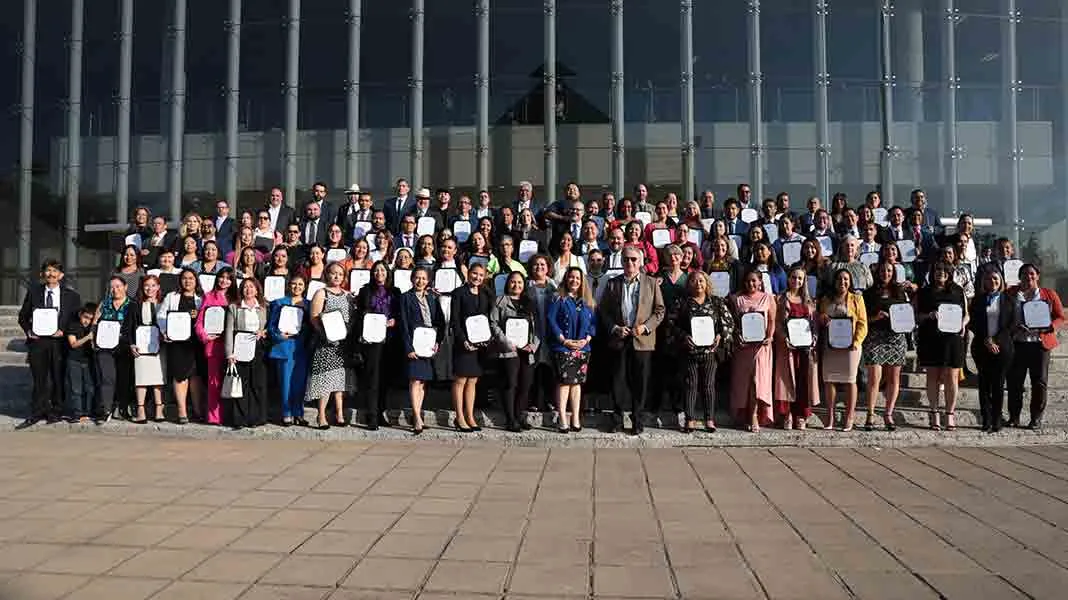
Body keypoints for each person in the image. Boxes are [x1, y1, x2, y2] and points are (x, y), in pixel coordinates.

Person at [598, 246, 666, 434]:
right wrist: (614, 328)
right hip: (620, 338)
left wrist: (644, 328)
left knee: (640, 382)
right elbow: (603, 311)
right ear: (621, 262)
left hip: (642, 339)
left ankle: (638, 419)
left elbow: (660, 311)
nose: (630, 263)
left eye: (634, 259)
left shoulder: (651, 283)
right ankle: (618, 419)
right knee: (617, 380)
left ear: (641, 262)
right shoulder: (613, 283)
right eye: (626, 259)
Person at [17, 260, 83, 428]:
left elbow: (76, 320)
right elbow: (22, 317)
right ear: (42, 274)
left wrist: (64, 331)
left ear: (61, 275)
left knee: (57, 378)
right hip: (38, 342)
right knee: (39, 378)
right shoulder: (33, 292)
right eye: (48, 270)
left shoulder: (72, 296)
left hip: (59, 342)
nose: (51, 274)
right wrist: (29, 331)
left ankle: (56, 411)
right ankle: (37, 411)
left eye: (55, 271)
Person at [1006, 263, 1066, 429]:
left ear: (1037, 276)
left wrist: (1049, 326)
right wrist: (1013, 327)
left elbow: (1061, 317)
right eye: (1024, 274)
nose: (1028, 276)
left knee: (1039, 383)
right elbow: (1004, 314)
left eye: (1032, 273)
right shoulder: (1011, 293)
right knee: (1014, 383)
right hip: (1018, 344)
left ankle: (1036, 418)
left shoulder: (1048, 294)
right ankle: (1014, 417)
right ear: (1020, 277)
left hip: (1040, 345)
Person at [674, 271, 734, 432]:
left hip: (710, 351)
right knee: (690, 384)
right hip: (690, 351)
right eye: (694, 281)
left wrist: (721, 336)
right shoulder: (682, 302)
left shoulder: (716, 302)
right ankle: (690, 419)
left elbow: (728, 323)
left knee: (708, 385)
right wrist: (683, 336)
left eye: (701, 281)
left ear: (707, 283)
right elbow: (672, 324)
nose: (698, 284)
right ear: (689, 284)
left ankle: (709, 419)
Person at [915, 261, 968, 430]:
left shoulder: (958, 291)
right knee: (933, 377)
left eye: (945, 270)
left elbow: (967, 315)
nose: (941, 272)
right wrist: (928, 315)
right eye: (938, 269)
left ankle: (950, 414)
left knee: (952, 376)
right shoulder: (924, 292)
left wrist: (963, 325)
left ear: (950, 273)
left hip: (952, 339)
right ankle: (934, 412)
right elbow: (915, 316)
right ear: (933, 272)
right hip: (930, 338)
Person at [547, 267, 597, 433]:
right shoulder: (558, 298)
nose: (574, 281)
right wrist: (564, 340)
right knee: (564, 383)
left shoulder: (587, 301)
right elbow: (551, 320)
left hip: (583, 348)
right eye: (571, 277)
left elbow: (593, 324)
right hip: (563, 347)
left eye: (577, 278)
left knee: (576, 384)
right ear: (566, 279)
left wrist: (586, 339)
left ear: (582, 281)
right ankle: (562, 417)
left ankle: (575, 417)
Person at [818, 268, 868, 431]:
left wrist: (857, 341)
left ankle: (849, 416)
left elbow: (862, 323)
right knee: (829, 380)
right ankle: (830, 416)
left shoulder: (857, 299)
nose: (843, 282)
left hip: (850, 346)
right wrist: (822, 318)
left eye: (846, 279)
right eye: (839, 279)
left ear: (850, 282)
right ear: (834, 281)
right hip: (830, 345)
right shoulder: (826, 299)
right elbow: (820, 319)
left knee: (850, 381)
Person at [968, 269, 1018, 432]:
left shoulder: (1009, 300)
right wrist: (986, 339)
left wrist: (995, 340)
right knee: (984, 384)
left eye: (995, 278)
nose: (992, 282)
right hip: (981, 346)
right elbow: (973, 322)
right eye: (989, 279)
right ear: (984, 282)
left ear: (1001, 281)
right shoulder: (977, 300)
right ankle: (986, 419)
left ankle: (997, 419)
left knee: (998, 384)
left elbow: (1012, 324)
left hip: (1002, 348)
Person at [862, 262, 910, 431]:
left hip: (895, 338)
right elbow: (862, 318)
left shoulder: (900, 292)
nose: (886, 273)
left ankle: (888, 414)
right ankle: (870, 413)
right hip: (875, 337)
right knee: (874, 377)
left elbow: (907, 314)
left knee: (893, 378)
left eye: (889, 270)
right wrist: (875, 318)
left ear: (894, 273)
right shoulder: (869, 293)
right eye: (883, 270)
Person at [398, 267, 446, 434]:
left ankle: (418, 414)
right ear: (412, 279)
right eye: (417, 278)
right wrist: (408, 347)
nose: (420, 281)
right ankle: (417, 416)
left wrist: (438, 341)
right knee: (415, 380)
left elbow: (440, 322)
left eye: (424, 278)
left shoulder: (432, 298)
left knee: (423, 381)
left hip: (428, 344)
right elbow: (403, 324)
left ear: (428, 281)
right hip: (414, 344)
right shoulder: (405, 297)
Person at [307, 262, 354, 429]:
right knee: (325, 379)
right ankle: (321, 415)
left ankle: (339, 414)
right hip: (326, 343)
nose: (336, 277)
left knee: (340, 380)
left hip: (343, 344)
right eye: (333, 273)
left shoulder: (348, 295)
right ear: (327, 274)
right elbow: (314, 318)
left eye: (340, 274)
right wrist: (326, 335)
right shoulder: (321, 293)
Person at [353, 261, 401, 430]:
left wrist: (394, 320)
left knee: (385, 379)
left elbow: (398, 314)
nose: (379, 273)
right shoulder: (365, 290)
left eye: (383, 270)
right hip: (372, 340)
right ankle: (371, 415)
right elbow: (360, 314)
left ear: (388, 273)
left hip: (389, 340)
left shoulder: (395, 292)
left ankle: (381, 413)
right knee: (372, 378)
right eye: (376, 270)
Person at [489, 271, 538, 432]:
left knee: (526, 384)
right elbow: (493, 323)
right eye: (513, 282)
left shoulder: (529, 302)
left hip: (527, 350)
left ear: (524, 285)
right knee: (511, 383)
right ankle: (510, 419)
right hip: (508, 350)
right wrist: (506, 342)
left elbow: (536, 327)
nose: (516, 285)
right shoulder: (500, 301)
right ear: (507, 284)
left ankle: (519, 415)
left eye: (519, 282)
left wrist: (533, 344)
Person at [773, 267, 820, 430]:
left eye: (800, 278)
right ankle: (788, 414)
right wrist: (784, 338)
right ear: (788, 279)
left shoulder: (809, 301)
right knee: (787, 382)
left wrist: (814, 337)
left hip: (805, 349)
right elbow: (777, 324)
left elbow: (813, 324)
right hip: (787, 348)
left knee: (803, 382)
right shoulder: (780, 299)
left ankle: (801, 414)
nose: (796, 281)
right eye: (793, 277)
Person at [449, 263, 494, 432]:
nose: (477, 277)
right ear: (468, 274)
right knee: (461, 379)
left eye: (481, 275)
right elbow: (455, 320)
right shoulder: (459, 293)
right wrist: (463, 341)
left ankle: (470, 415)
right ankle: (459, 416)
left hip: (479, 344)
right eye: (474, 274)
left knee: (473, 380)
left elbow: (487, 318)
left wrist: (485, 339)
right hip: (463, 343)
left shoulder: (485, 294)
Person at [731, 268, 777, 432]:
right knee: (745, 382)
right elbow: (734, 323)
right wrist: (737, 336)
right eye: (748, 281)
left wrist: (770, 336)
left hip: (761, 347)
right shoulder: (737, 299)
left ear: (760, 282)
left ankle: (754, 415)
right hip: (743, 347)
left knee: (757, 381)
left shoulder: (768, 298)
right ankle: (744, 414)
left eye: (754, 281)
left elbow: (772, 320)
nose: (751, 284)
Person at [158, 268, 204, 424]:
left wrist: (198, 315)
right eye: (184, 278)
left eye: (191, 278)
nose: (188, 281)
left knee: (196, 377)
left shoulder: (201, 299)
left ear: (196, 281)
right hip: (177, 343)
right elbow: (161, 315)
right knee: (180, 376)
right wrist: (165, 331)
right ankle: (182, 411)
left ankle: (198, 409)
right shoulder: (172, 297)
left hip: (196, 342)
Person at [194, 268, 237, 425]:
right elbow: (199, 323)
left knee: (232, 380)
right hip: (214, 345)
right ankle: (214, 416)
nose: (224, 281)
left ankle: (231, 415)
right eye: (221, 277)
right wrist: (205, 336)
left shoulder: (236, 299)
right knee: (214, 383)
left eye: (228, 278)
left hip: (233, 346)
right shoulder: (209, 296)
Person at [225, 278, 269, 429]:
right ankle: (240, 419)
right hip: (240, 347)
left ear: (257, 290)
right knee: (241, 384)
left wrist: (264, 332)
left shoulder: (264, 307)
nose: (249, 290)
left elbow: (270, 327)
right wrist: (230, 354)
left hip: (258, 348)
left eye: (252, 287)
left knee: (257, 383)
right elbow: (229, 331)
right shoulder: (234, 307)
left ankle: (256, 418)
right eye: (245, 287)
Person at [267, 275, 310, 426]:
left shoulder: (308, 304)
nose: (297, 287)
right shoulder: (279, 303)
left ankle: (299, 413)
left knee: (300, 383)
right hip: (285, 346)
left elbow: (312, 326)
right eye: (294, 284)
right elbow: (271, 326)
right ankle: (286, 413)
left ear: (304, 287)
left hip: (301, 347)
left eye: (300, 284)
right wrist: (279, 336)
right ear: (288, 285)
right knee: (286, 382)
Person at [92, 276, 134, 423]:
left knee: (124, 379)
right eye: (112, 287)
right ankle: (106, 409)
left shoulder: (132, 304)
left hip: (124, 347)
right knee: (107, 378)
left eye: (118, 286)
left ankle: (122, 408)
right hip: (104, 346)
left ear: (125, 287)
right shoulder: (104, 304)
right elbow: (95, 322)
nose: (115, 290)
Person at [65, 304, 96, 424]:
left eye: (90, 319)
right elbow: (73, 344)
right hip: (74, 361)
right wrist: (88, 337)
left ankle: (88, 413)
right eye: (85, 317)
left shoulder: (93, 328)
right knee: (76, 389)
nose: (87, 321)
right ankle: (77, 413)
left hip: (88, 361)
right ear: (80, 315)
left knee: (90, 388)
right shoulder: (73, 326)